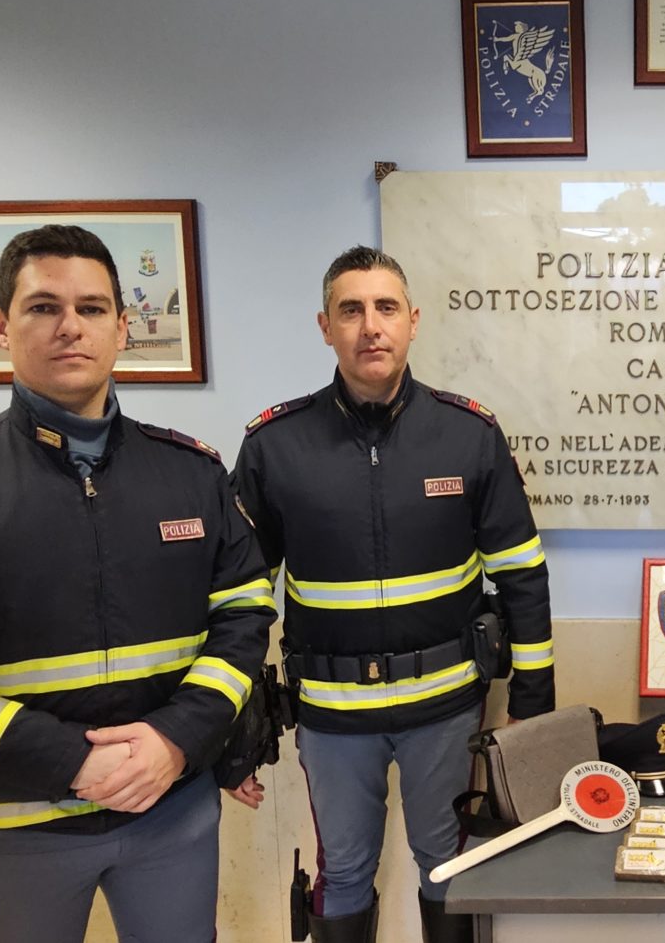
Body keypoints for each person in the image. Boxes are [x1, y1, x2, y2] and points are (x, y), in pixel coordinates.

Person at [0, 224, 276, 942]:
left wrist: (176, 738)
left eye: (92, 308)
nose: (71, 326)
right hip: (11, 829)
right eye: (44, 307)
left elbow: (245, 613)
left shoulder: (190, 474)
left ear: (122, 328)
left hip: (170, 811)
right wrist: (71, 762)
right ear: (1, 327)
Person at [229, 245, 555, 943]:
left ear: (413, 320)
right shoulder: (275, 446)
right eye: (351, 310)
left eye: (385, 308)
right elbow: (240, 598)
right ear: (325, 327)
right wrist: (233, 724)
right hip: (332, 715)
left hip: (446, 708)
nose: (370, 326)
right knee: (345, 870)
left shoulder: (468, 435)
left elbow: (523, 574)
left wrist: (533, 703)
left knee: (450, 865)